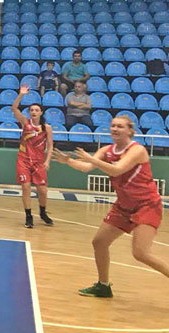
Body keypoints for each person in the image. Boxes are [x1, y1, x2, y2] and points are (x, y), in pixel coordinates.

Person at [53, 117, 169, 298]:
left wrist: (92, 159)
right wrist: (68, 161)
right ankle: (103, 286)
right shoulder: (106, 150)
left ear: (130, 131)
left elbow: (117, 169)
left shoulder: (137, 150)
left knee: (141, 253)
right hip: (124, 206)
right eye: (113, 125)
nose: (115, 128)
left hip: (146, 205)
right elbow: (86, 167)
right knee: (99, 242)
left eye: (120, 126)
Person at [12, 85, 54, 229]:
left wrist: (47, 161)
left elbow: (50, 146)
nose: (34, 112)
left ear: (41, 112)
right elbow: (14, 108)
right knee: (26, 187)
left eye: (36, 110)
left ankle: (42, 212)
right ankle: (28, 216)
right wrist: (21, 95)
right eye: (31, 110)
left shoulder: (46, 128)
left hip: (39, 161)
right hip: (23, 159)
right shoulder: (25, 123)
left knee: (42, 190)